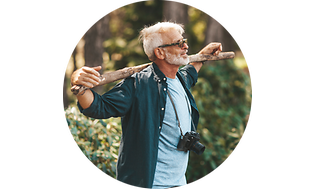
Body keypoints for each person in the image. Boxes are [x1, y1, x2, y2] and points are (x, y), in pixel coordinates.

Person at [71, 21, 222, 189]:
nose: (186, 46)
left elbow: (190, 73)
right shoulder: (137, 85)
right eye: (179, 43)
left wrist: (202, 56)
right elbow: (99, 107)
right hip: (150, 184)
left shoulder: (179, 78)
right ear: (160, 52)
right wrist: (80, 86)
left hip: (179, 182)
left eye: (184, 40)